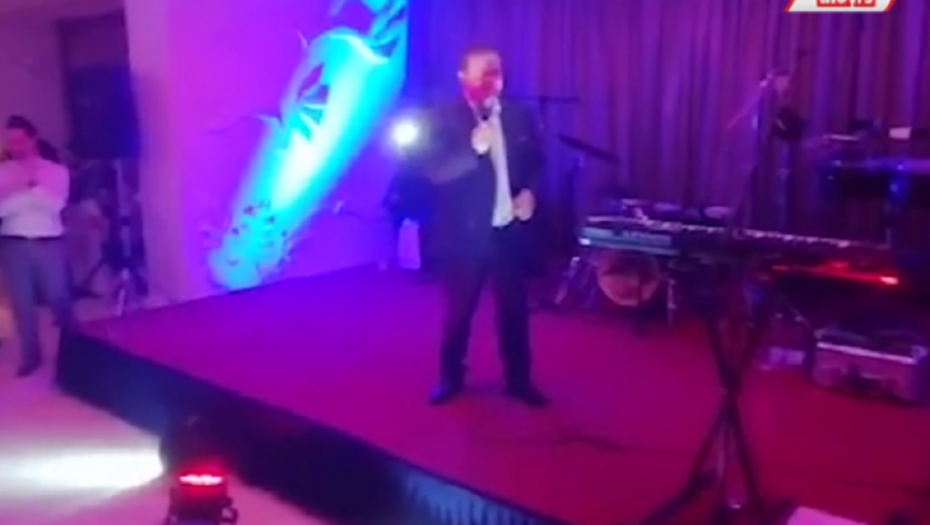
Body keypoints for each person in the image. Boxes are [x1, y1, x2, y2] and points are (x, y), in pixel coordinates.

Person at [421, 48, 546, 407]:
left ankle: (519, 379)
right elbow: (434, 170)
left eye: (497, 71)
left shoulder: (518, 115)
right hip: (464, 235)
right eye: (483, 72)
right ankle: (450, 376)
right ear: (463, 77)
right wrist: (473, 150)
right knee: (459, 312)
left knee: (515, 311)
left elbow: (534, 161)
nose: (492, 79)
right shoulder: (443, 117)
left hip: (507, 230)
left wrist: (528, 192)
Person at [0, 116, 72, 377]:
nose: (15, 146)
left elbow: (55, 205)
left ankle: (75, 350)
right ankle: (31, 357)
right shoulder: (2, 172)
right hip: (13, 243)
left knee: (59, 298)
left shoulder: (56, 171)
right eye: (10, 142)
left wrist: (17, 196)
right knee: (22, 303)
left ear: (33, 138)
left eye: (20, 140)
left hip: (49, 241)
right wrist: (32, 192)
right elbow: (1, 210)